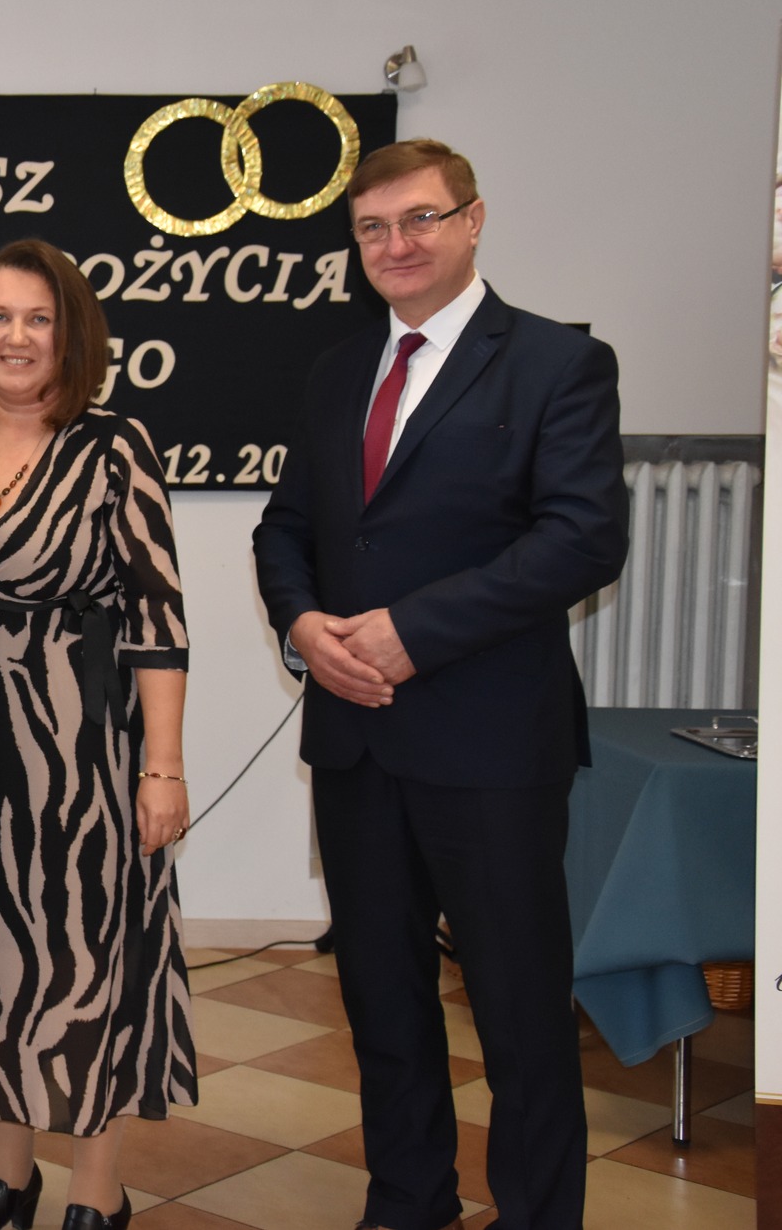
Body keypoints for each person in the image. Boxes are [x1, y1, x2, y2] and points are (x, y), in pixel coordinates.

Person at [253, 139, 627, 1230]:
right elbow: (287, 529)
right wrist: (302, 626)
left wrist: (413, 634)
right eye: (372, 228)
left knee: (518, 1011)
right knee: (382, 1002)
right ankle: (407, 1200)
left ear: (471, 220)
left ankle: (536, 1212)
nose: (396, 244)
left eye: (418, 218)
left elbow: (581, 538)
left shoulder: (558, 362)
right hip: (354, 740)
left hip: (491, 744)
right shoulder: (335, 370)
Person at [0, 238, 193, 1230]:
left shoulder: (114, 446)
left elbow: (157, 620)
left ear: (71, 334)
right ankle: (7, 1176)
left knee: (82, 962)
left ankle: (97, 1193)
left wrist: (162, 767)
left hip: (77, 755)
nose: (16, 336)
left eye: (38, 318)